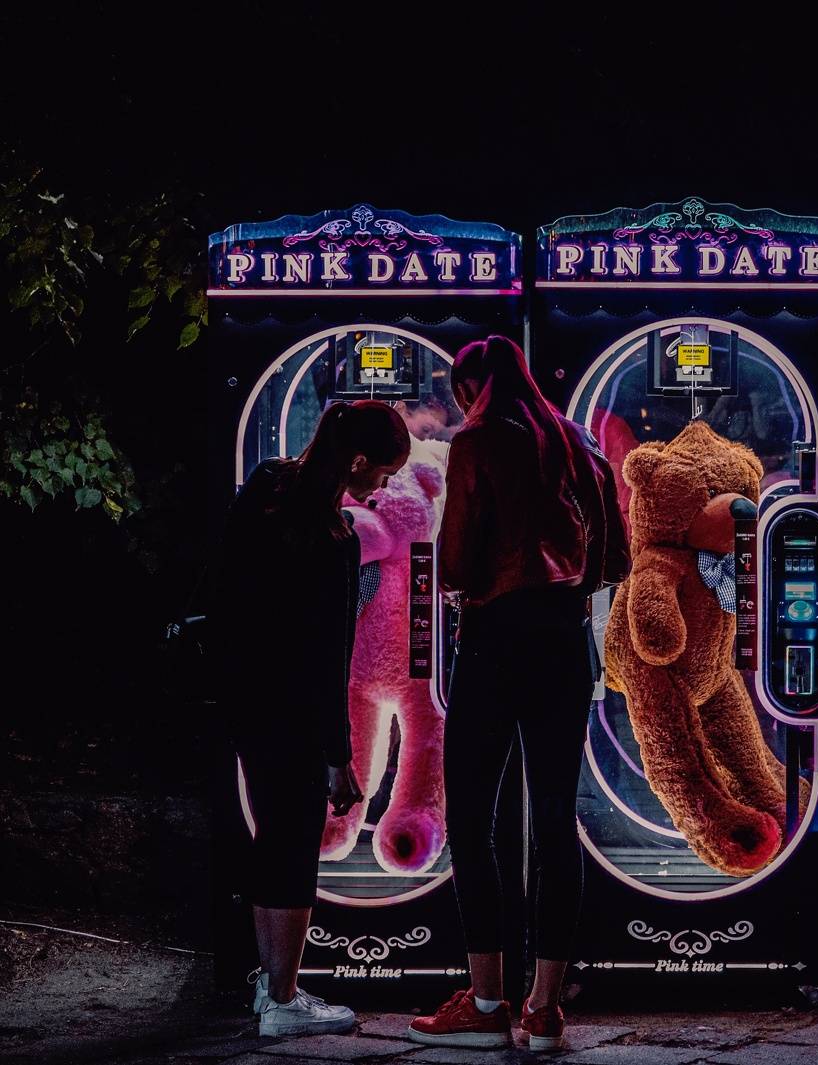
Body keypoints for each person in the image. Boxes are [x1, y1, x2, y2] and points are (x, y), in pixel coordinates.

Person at [408, 336, 628, 1051]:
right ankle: (544, 1009)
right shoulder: (575, 439)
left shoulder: (477, 440)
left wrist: (466, 581)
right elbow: (615, 556)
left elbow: (452, 563)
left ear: (471, 386)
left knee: (472, 819)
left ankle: (485, 1001)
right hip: (565, 640)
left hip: (495, 640)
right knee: (557, 821)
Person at [216, 400, 411, 1036]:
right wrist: (339, 759)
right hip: (296, 710)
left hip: (244, 696)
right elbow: (329, 658)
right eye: (382, 473)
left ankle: (268, 986)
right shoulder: (336, 538)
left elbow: (223, 585)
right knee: (295, 847)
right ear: (357, 461)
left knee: (270, 837)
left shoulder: (266, 485)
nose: (381, 487)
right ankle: (283, 998)